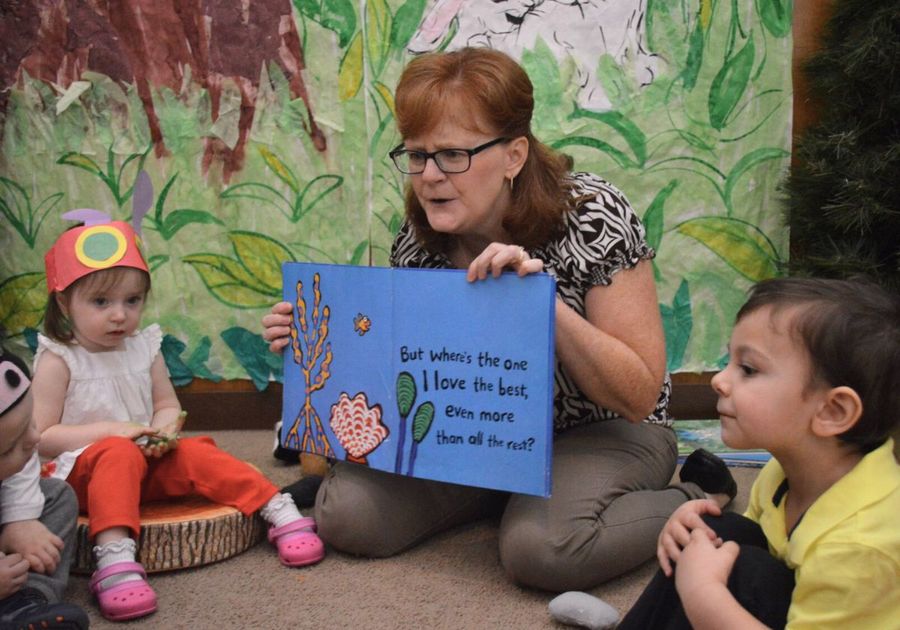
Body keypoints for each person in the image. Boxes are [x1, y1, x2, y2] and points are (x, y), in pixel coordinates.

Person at [264, 47, 734, 591]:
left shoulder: (592, 215)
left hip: (604, 431)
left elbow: (638, 396)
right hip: (475, 437)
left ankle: (700, 496)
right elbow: (404, 374)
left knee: (543, 552)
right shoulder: (418, 240)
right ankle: (509, 495)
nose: (430, 176)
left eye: (453, 155)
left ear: (514, 155)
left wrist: (541, 303)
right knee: (348, 516)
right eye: (416, 155)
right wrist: (311, 345)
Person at [31, 218, 325, 622]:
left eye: (132, 301)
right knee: (116, 453)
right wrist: (114, 432)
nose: (120, 315)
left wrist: (164, 430)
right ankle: (114, 559)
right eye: (101, 303)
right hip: (81, 475)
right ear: (64, 303)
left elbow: (166, 405)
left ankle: (277, 508)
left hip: (142, 461)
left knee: (198, 454)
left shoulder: (143, 348)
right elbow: (42, 436)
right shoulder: (58, 359)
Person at [617, 277, 900, 629]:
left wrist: (703, 595)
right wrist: (688, 523)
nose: (720, 380)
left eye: (748, 369)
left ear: (833, 412)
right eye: (729, 361)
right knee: (711, 531)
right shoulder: (786, 472)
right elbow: (752, 542)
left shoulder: (858, 548)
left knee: (739, 570)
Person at [0, 341, 89, 629]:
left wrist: (20, 518)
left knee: (57, 495)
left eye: (31, 422)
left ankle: (28, 600)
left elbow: (25, 462)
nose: (35, 439)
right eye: (9, 448)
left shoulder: (21, 440)